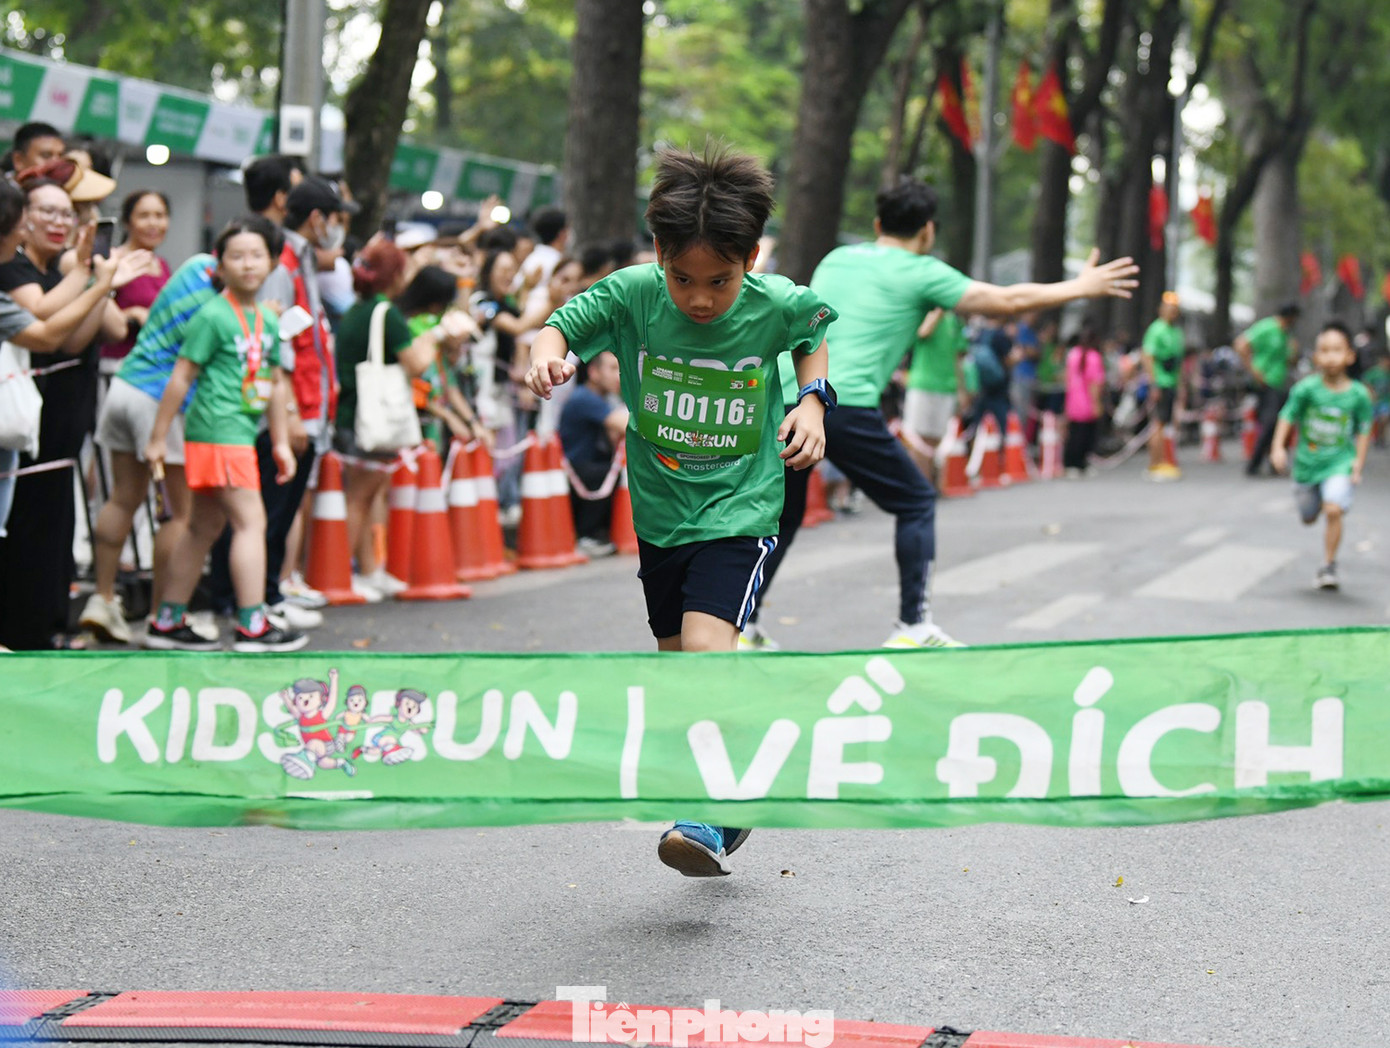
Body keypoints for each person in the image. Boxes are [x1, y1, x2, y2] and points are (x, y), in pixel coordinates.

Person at [524, 145, 835, 879]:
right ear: (659, 254)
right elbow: (559, 324)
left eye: (720, 282)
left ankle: (703, 813)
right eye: (684, 279)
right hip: (660, 511)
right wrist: (549, 357)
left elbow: (812, 333)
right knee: (678, 674)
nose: (700, 298)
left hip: (742, 506)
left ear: (750, 259)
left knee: (703, 652)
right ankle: (734, 797)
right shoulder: (633, 293)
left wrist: (815, 402)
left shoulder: (775, 301)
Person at [746, 178, 1138, 652]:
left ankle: (744, 628)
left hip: (787, 400)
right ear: (928, 231)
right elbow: (1006, 302)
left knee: (783, 518)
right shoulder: (922, 271)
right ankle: (913, 627)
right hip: (838, 405)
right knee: (915, 501)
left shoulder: (837, 258)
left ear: (876, 224)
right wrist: (1079, 287)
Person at [143, 217, 305, 652]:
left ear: (272, 262)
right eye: (237, 256)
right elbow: (181, 377)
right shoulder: (212, 316)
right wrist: (159, 437)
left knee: (202, 527)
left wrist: (281, 442)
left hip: (235, 432)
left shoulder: (267, 321)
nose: (248, 264)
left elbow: (271, 384)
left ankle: (167, 621)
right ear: (220, 265)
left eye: (257, 255)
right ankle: (252, 625)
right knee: (251, 522)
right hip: (217, 430)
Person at [207, 175, 357, 629]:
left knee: (279, 505)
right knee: (266, 508)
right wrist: (288, 412)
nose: (338, 228)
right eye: (336, 218)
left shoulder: (303, 257)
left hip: (305, 403)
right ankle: (249, 598)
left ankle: (266, 592)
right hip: (283, 407)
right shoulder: (280, 262)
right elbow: (274, 346)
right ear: (317, 218)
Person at [0, 167, 139, 650]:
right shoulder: (15, 270)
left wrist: (98, 282)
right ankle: (22, 632)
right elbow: (43, 329)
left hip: (49, 429)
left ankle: (42, 628)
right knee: (20, 531)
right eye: (47, 211)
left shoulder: (51, 268)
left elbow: (82, 338)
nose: (61, 221)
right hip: (23, 427)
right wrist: (91, 276)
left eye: (69, 212)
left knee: (48, 530)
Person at [333, 237, 443, 602]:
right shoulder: (386, 313)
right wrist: (436, 336)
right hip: (367, 418)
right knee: (361, 497)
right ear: (393, 274)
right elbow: (416, 364)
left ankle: (368, 571)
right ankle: (344, 576)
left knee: (367, 493)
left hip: (353, 413)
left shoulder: (357, 309)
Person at [1269, 322, 1372, 591]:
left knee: (1333, 509)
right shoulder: (1306, 389)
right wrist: (1278, 447)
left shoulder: (1359, 395)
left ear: (1350, 355)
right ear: (1316, 356)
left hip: (1339, 464)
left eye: (1337, 350)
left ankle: (1328, 565)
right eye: (1324, 350)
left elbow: (1364, 429)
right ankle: (1317, 506)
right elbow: (1287, 416)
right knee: (1308, 516)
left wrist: (1358, 462)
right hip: (1306, 466)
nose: (1330, 357)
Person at [558, 350, 629, 555]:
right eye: (613, 368)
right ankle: (587, 534)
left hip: (587, 468)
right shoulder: (585, 398)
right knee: (610, 475)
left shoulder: (604, 399)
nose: (618, 375)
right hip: (576, 473)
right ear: (594, 372)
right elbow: (625, 425)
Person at [100, 190, 172, 363]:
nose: (153, 223)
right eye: (143, 216)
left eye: (160, 215)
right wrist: (131, 314)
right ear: (127, 221)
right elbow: (93, 308)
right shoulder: (112, 260)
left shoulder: (161, 264)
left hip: (153, 364)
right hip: (117, 364)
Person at [901, 306, 968, 483]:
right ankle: (920, 484)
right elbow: (923, 333)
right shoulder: (923, 314)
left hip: (947, 386)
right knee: (918, 439)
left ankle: (931, 482)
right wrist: (936, 311)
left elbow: (958, 357)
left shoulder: (955, 321)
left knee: (937, 438)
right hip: (923, 384)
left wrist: (962, 389)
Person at [1237, 303, 1301, 477]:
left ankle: (1274, 462)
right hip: (1265, 383)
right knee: (1270, 422)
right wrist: (1253, 371)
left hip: (1280, 383)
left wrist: (1294, 351)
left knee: (1281, 422)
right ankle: (1254, 463)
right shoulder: (1267, 327)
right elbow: (1241, 344)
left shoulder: (1287, 334)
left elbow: (1290, 361)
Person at [1140, 291, 1183, 481]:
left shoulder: (1176, 331)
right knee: (1157, 423)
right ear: (1162, 310)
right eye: (1170, 309)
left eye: (1175, 309)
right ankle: (1154, 464)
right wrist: (1154, 383)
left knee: (1165, 424)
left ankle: (1163, 460)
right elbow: (1148, 357)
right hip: (1161, 383)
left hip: (1171, 382)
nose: (1173, 312)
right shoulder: (1156, 330)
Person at [1063, 327, 1105, 476]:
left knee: (1074, 434)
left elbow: (1066, 377)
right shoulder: (1094, 357)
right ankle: (1080, 463)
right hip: (1087, 402)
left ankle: (1071, 463)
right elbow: (1094, 383)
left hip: (1073, 400)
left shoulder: (1073, 354)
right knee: (1086, 435)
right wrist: (1097, 403)